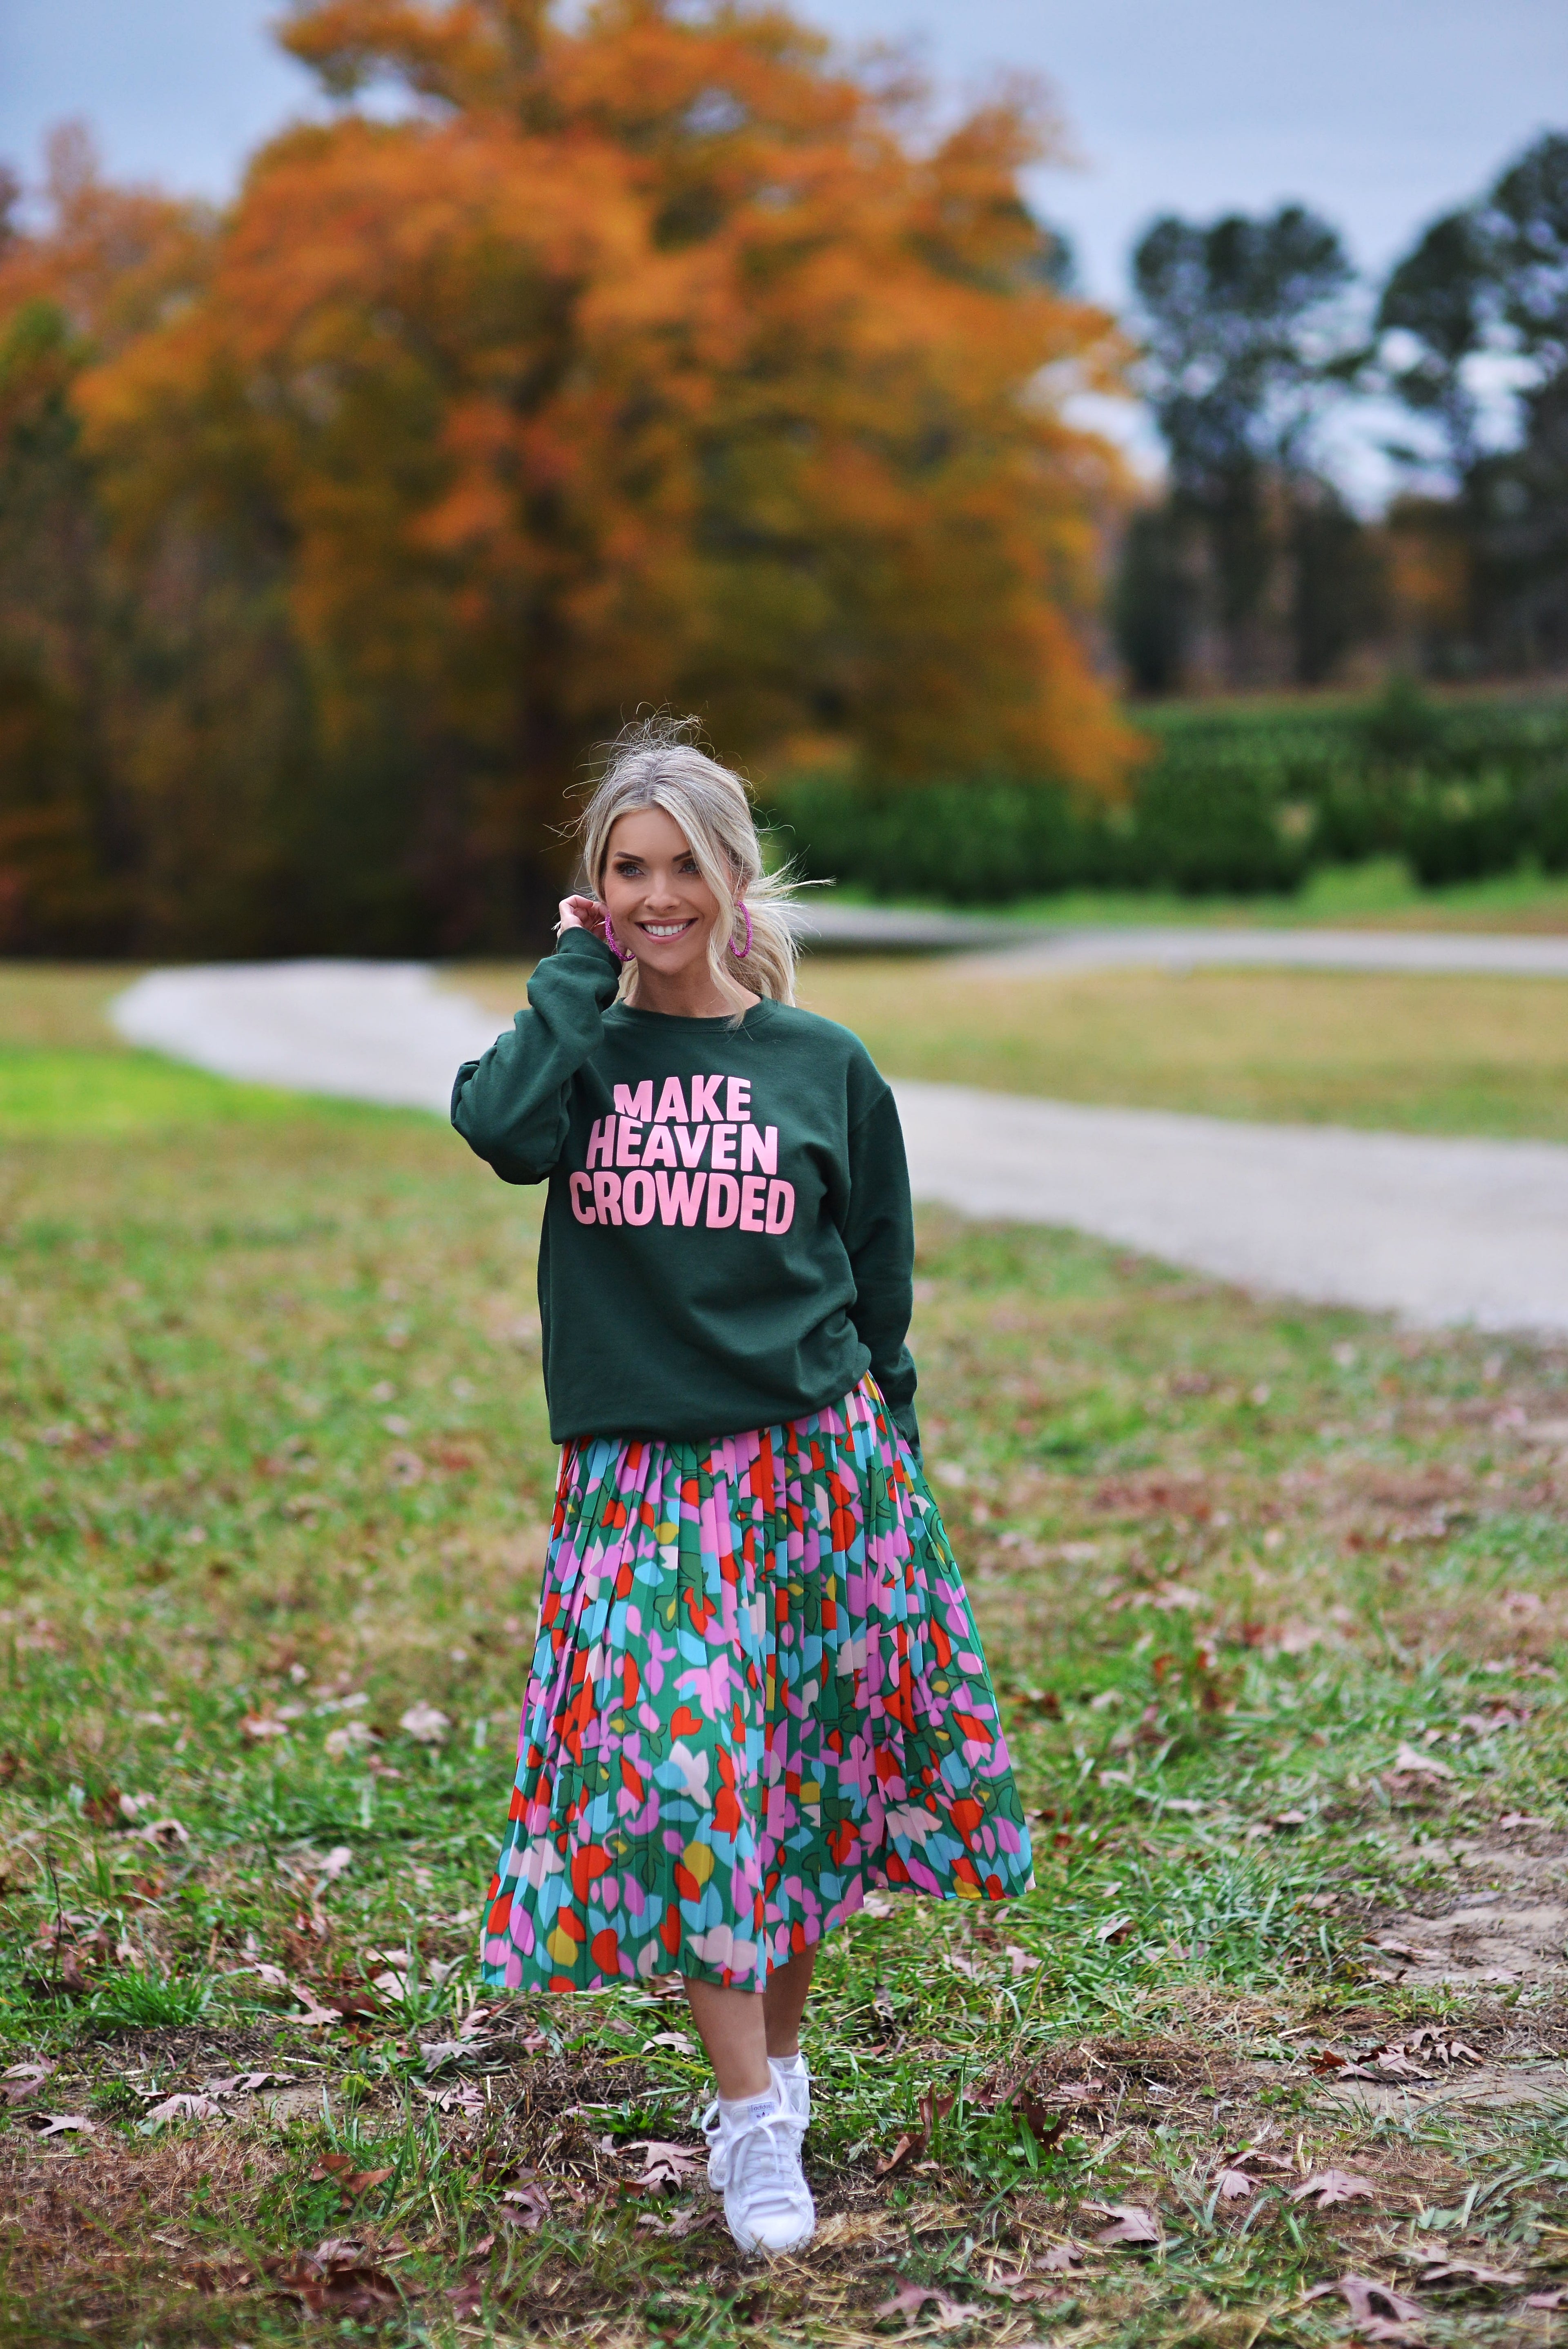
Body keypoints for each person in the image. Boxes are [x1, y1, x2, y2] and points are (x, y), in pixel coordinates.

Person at [451, 717, 1032, 2255]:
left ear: (733, 877)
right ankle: (756, 2127)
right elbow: (499, 1132)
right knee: (695, 1778)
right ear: (595, 890)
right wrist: (578, 980)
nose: (659, 895)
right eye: (625, 872)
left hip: (822, 1479)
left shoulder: (823, 1066)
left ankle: (768, 2080)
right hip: (646, 1488)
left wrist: (893, 1484)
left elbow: (878, 1292)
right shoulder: (567, 1058)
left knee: (795, 1801)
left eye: (683, 867)